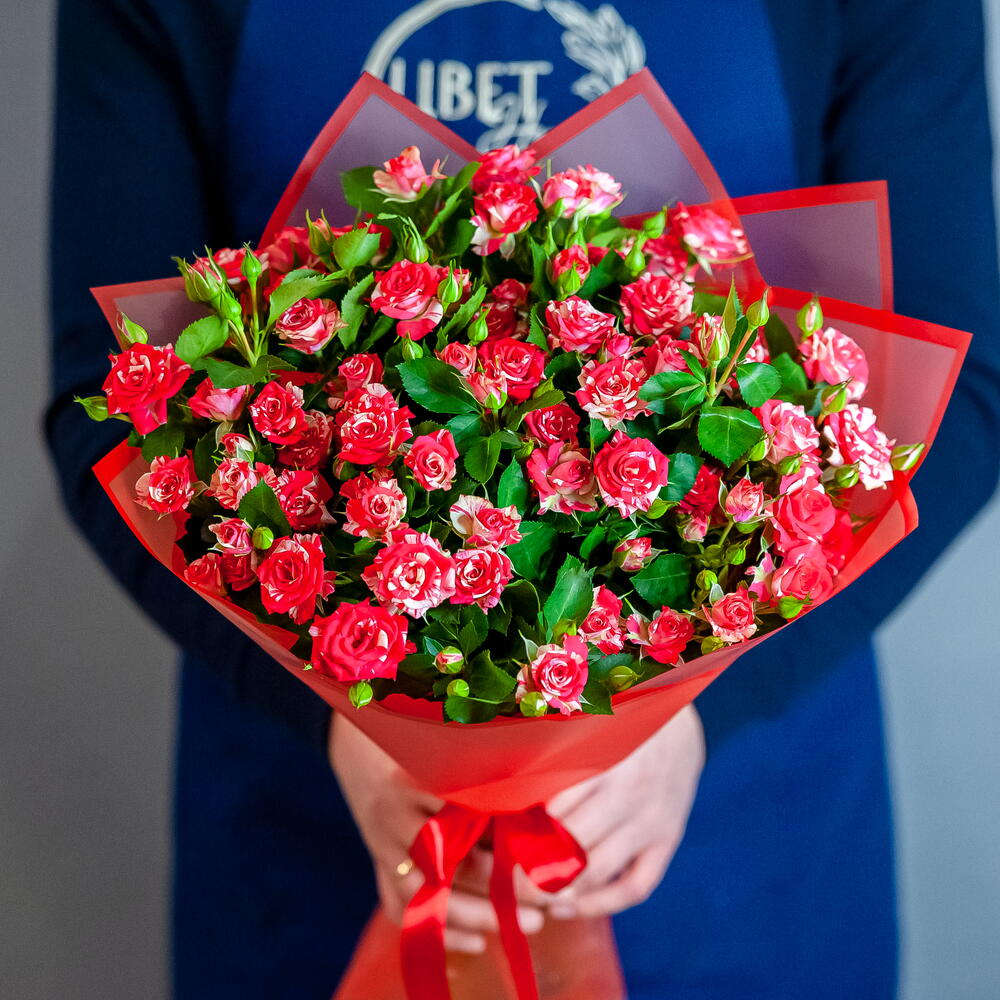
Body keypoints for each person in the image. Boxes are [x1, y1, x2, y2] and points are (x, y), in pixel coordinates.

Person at [47, 1, 1000, 997]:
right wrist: (328, 714)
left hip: (742, 851)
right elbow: (104, 402)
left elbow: (954, 391)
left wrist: (702, 714)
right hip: (318, 833)